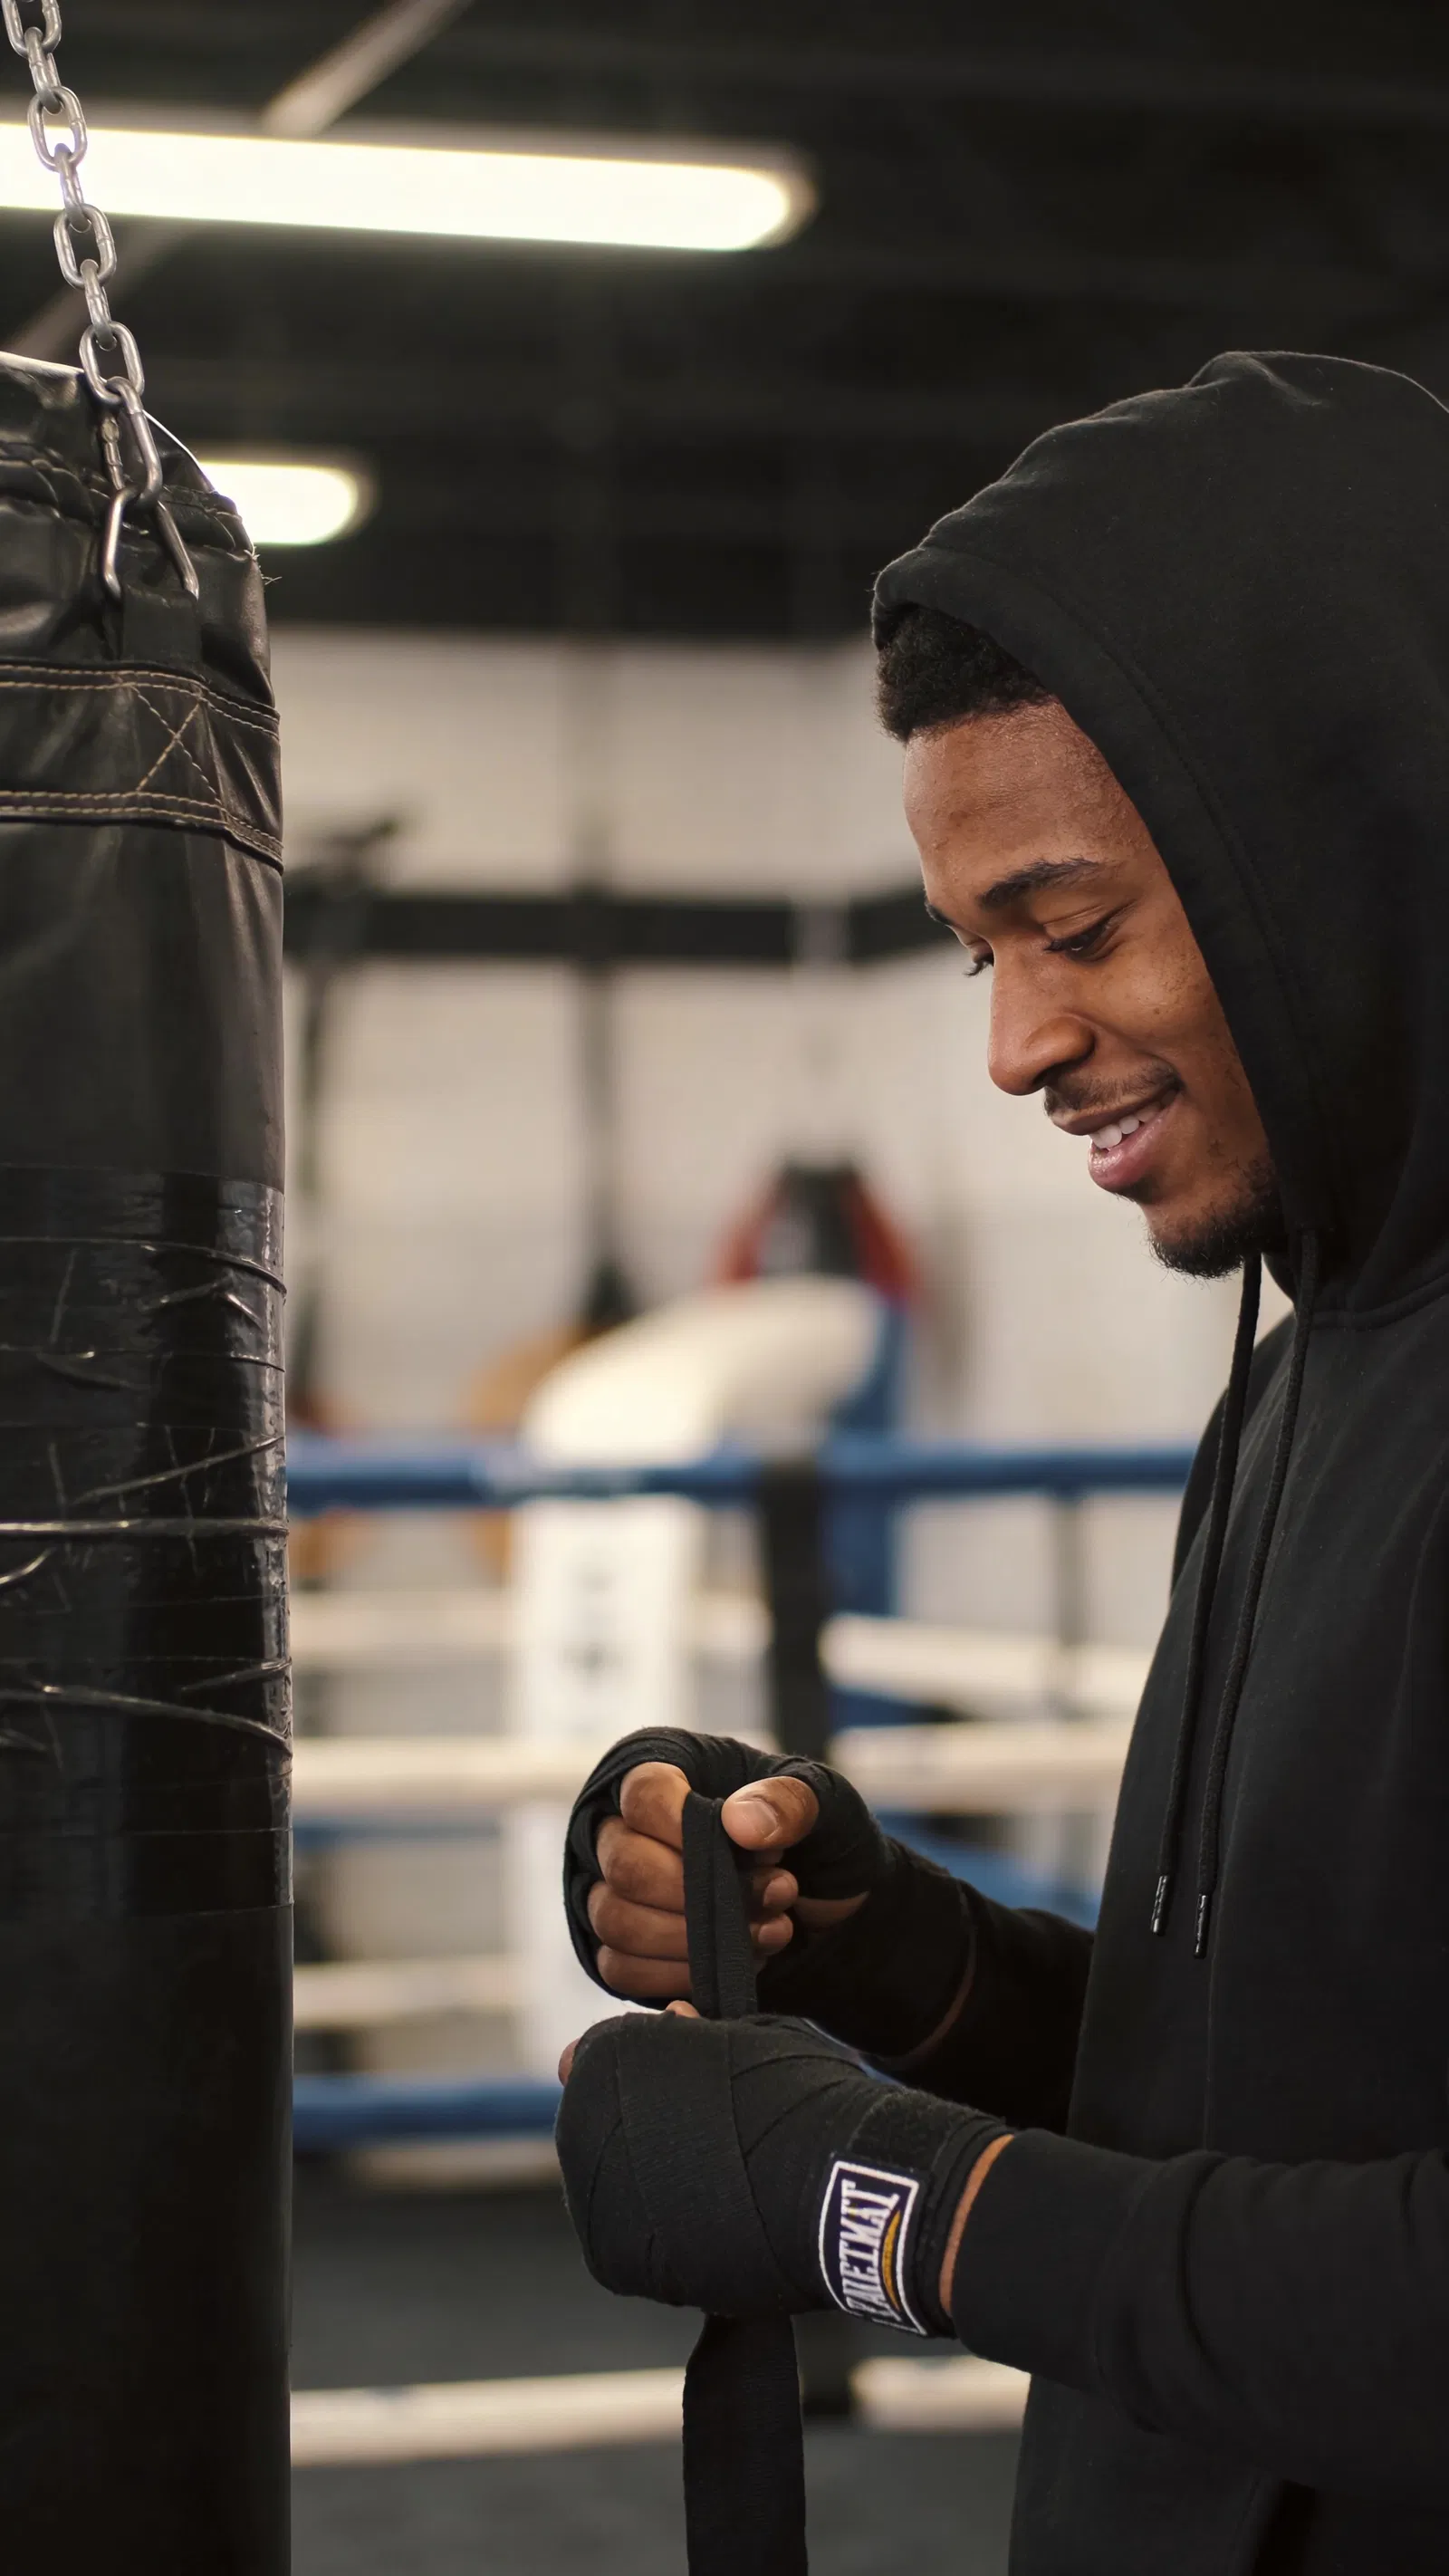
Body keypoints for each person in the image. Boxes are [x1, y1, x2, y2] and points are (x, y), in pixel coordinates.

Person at [552, 351, 1449, 2575]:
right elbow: (1266, 2105)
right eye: (979, 953)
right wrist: (885, 1961)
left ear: (1353, 839)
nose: (1013, 1043)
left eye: (1074, 928)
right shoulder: (1301, 1375)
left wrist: (887, 2209)